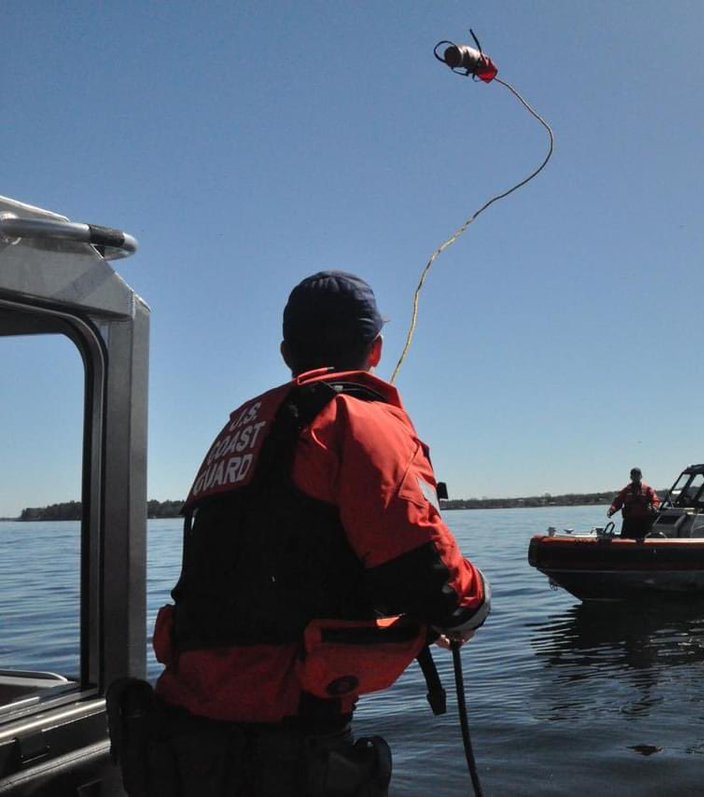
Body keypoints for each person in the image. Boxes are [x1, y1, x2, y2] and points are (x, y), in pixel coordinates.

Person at [107, 271, 490, 796]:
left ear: (287, 352)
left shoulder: (242, 426)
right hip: (278, 741)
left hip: (183, 735)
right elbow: (430, 578)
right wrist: (471, 606)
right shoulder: (357, 420)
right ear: (375, 351)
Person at [607, 467, 661, 538]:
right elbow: (618, 501)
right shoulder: (626, 490)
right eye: (633, 475)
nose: (635, 477)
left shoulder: (647, 489)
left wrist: (654, 507)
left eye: (637, 475)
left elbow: (655, 500)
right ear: (631, 477)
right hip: (629, 521)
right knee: (625, 540)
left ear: (641, 476)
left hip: (644, 521)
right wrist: (612, 510)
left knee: (644, 538)